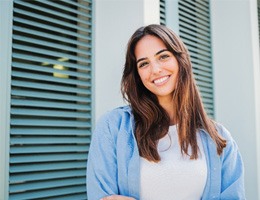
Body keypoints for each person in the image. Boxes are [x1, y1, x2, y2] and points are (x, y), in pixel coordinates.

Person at [87, 24, 245, 200]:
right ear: (137, 74)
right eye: (144, 63)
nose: (155, 70)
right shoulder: (112, 127)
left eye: (163, 56)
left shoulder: (220, 139)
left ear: (180, 60)